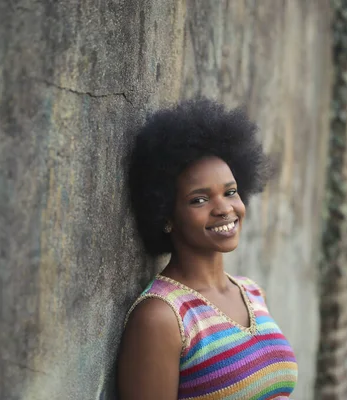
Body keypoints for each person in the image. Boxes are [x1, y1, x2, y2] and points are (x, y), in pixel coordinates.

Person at [118, 99, 298, 399]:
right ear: (166, 214)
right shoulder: (162, 316)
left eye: (230, 192)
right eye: (199, 199)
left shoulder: (253, 293)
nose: (224, 208)